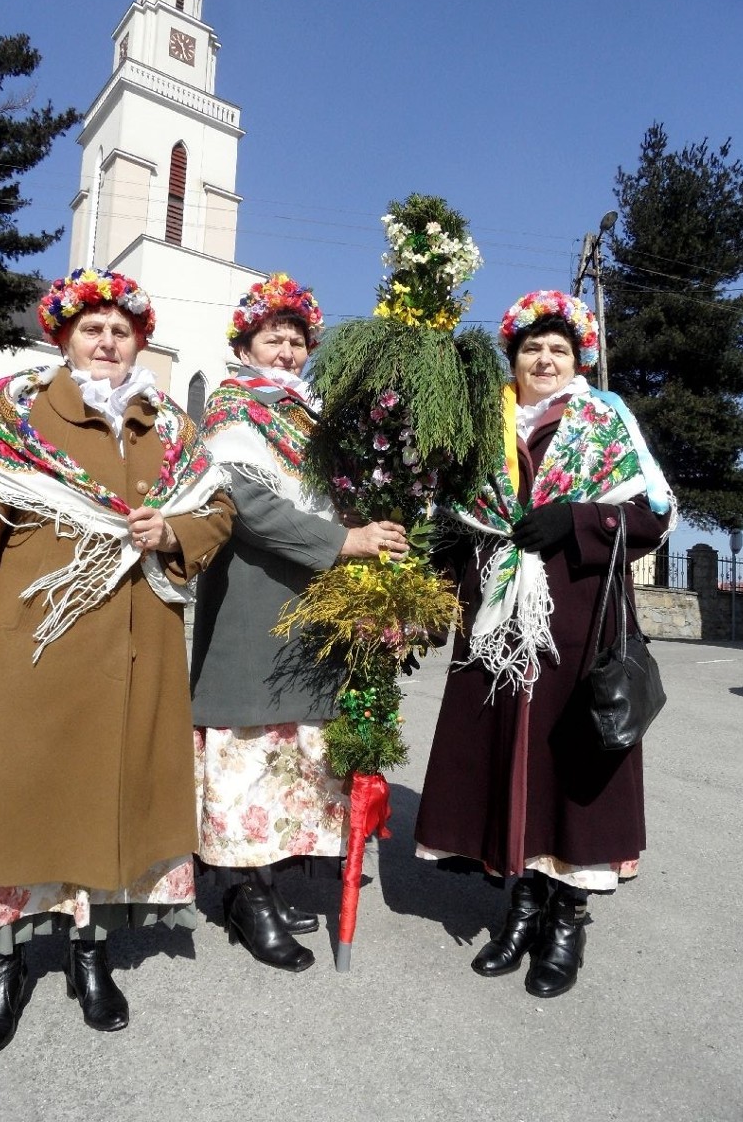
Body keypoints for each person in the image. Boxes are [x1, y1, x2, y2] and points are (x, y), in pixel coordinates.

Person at [0, 267, 235, 1055]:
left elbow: (218, 508)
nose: (106, 340)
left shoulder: (168, 425)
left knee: (113, 805)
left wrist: (175, 535)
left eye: (121, 330)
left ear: (139, 343)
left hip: (139, 656)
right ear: (62, 337)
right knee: (12, 806)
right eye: (91, 328)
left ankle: (90, 954)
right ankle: (6, 963)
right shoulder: (16, 412)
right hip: (34, 653)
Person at [415, 289, 675, 998]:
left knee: (573, 768)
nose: (545, 358)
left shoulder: (605, 419)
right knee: (506, 757)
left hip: (578, 622)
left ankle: (567, 921)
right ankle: (521, 907)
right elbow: (455, 517)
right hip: (499, 625)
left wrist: (578, 519)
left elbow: (653, 516)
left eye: (558, 348)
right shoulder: (485, 423)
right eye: (533, 347)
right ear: (514, 355)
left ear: (577, 359)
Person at [189, 272, 408, 973]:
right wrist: (341, 542)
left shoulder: (312, 416)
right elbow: (245, 504)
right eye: (270, 339)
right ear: (245, 345)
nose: (284, 351)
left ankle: (269, 880)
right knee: (252, 743)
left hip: (315, 602)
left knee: (298, 748)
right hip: (256, 597)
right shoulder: (232, 407)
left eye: (294, 341)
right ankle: (243, 892)